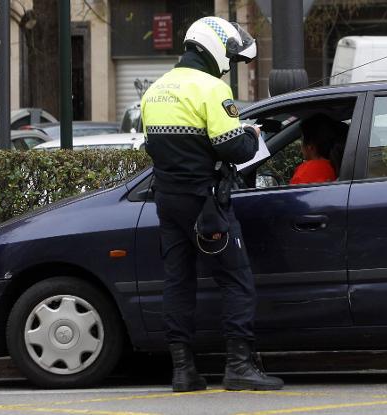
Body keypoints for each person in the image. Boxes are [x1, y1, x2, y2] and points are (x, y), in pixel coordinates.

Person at [141, 16, 284, 393]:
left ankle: (183, 372)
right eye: (232, 58)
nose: (231, 66)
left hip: (167, 202)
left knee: (178, 283)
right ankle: (239, 366)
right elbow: (233, 149)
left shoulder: (154, 91)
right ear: (216, 46)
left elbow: (159, 147)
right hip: (206, 204)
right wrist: (250, 135)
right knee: (237, 281)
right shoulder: (210, 88)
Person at [290, 114, 349, 185]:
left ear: (310, 145)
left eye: (302, 139)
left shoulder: (306, 172)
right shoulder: (337, 167)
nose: (301, 145)